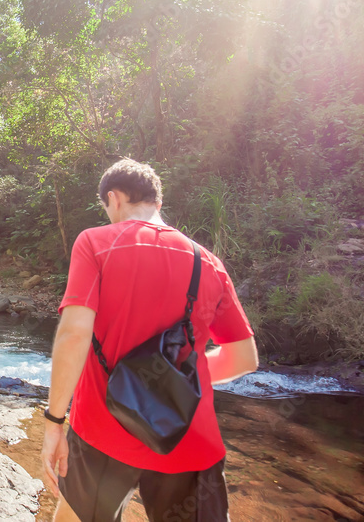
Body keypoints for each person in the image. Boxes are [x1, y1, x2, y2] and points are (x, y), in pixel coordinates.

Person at [41, 159, 258, 522]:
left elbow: (75, 333)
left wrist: (53, 422)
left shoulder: (95, 243)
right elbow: (243, 358)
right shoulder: (208, 262)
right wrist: (174, 385)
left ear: (113, 198)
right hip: (189, 439)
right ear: (158, 203)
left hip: (102, 432)